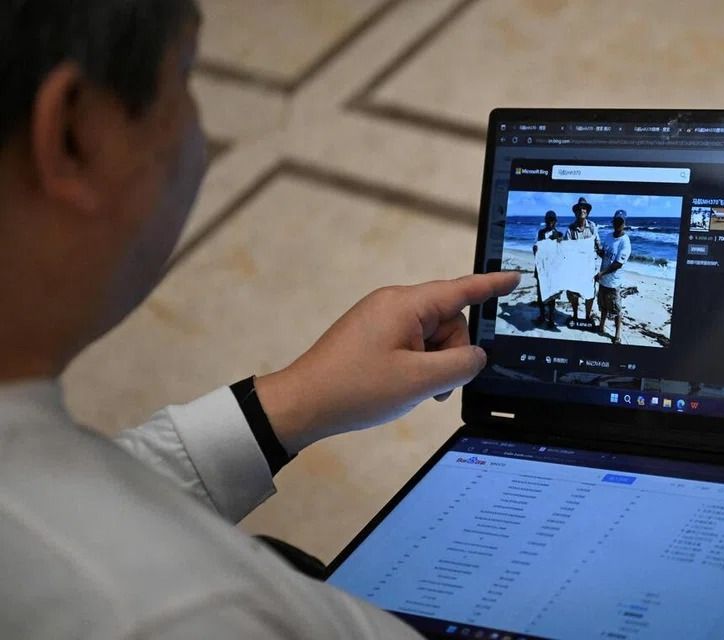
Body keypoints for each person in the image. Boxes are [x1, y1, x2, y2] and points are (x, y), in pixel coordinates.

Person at [0, 2, 519, 638]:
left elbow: (82, 499)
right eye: (185, 73)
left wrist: (293, 401)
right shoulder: (175, 617)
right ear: (76, 133)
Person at [564, 196, 602, 325]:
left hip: (590, 267)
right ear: (575, 212)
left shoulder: (592, 227)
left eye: (584, 208)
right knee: (573, 293)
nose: (582, 210)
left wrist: (604, 253)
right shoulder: (570, 229)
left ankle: (587, 316)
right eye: (579, 208)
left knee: (590, 293)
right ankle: (575, 315)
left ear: (587, 211)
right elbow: (566, 249)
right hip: (575, 267)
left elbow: (598, 244)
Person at [596, 210, 632, 344]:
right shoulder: (608, 236)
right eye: (616, 221)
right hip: (603, 280)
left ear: (624, 223)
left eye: (620, 222)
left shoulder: (625, 242)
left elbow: (617, 264)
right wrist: (598, 251)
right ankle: (601, 326)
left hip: (614, 283)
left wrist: (601, 273)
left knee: (616, 310)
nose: (618, 224)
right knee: (603, 306)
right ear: (613, 222)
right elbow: (605, 254)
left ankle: (617, 334)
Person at [533, 209, 563, 328]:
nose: (550, 222)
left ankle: (550, 318)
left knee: (552, 295)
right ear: (545, 221)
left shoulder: (559, 235)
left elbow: (562, 253)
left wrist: (560, 242)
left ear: (555, 221)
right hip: (541, 269)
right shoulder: (540, 233)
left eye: (552, 220)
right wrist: (535, 249)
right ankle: (541, 316)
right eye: (548, 220)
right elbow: (535, 248)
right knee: (541, 294)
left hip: (552, 270)